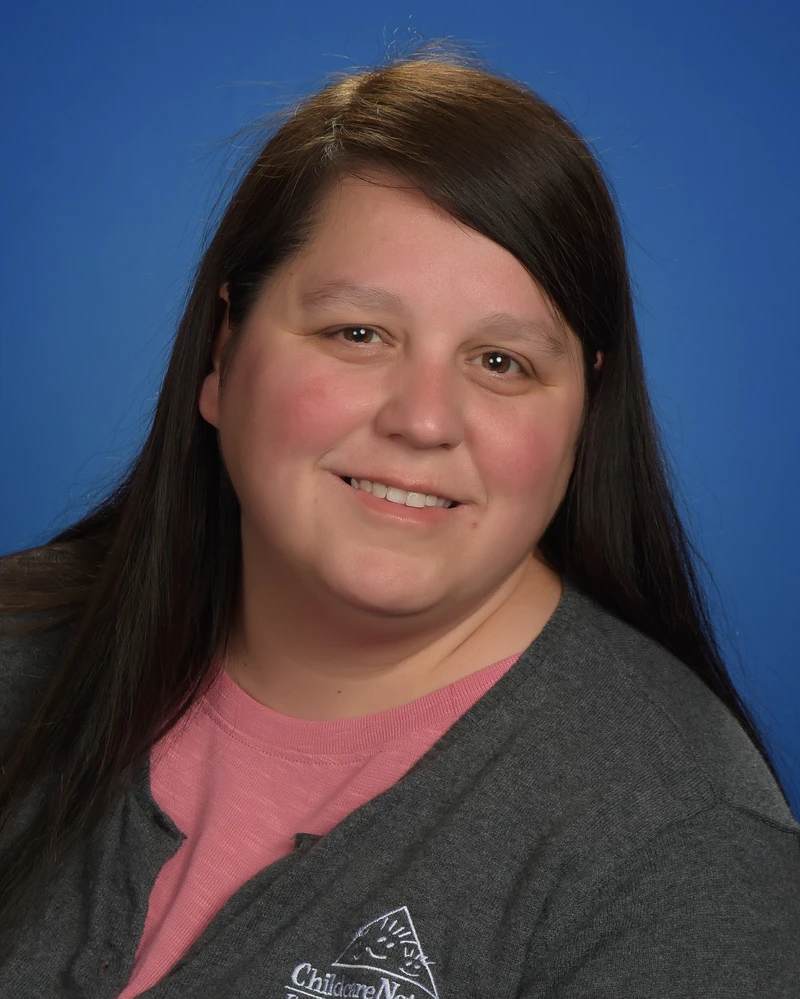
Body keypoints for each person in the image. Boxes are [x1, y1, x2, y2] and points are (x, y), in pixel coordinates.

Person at [0, 44, 798, 999]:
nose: (423, 421)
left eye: (501, 362)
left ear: (584, 415)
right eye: (358, 333)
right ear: (224, 350)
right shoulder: (18, 648)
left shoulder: (681, 851)